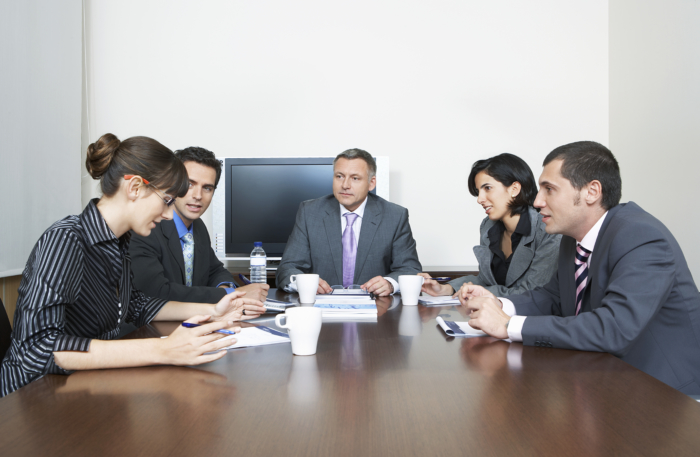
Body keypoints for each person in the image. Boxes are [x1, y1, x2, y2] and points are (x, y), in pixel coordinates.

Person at [0, 133, 266, 397]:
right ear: (135, 187)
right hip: (30, 400)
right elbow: (36, 348)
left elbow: (139, 305)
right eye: (166, 201)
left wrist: (214, 311)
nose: (168, 214)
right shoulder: (65, 239)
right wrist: (163, 350)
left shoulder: (121, 241)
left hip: (85, 389)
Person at [459, 141, 700, 395]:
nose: (538, 201)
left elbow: (614, 328)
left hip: (667, 395)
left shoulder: (640, 236)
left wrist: (509, 325)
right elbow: (552, 297)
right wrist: (499, 303)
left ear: (591, 192)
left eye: (549, 189)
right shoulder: (571, 239)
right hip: (605, 381)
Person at [130, 147, 269, 303]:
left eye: (207, 188)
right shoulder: (147, 227)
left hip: (196, 320)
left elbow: (214, 270)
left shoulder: (198, 227)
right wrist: (229, 295)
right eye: (189, 184)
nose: (198, 196)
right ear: (173, 183)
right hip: (154, 325)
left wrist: (224, 287)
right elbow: (156, 292)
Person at [276, 148, 422, 296]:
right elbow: (287, 269)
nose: (345, 185)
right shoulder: (310, 212)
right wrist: (303, 283)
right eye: (339, 176)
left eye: (355, 178)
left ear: (371, 183)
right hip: (321, 306)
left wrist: (390, 284)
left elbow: (409, 269)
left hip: (377, 309)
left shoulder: (395, 216)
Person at [420, 153, 561, 297]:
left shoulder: (547, 230)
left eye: (487, 188)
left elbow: (531, 293)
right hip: (493, 315)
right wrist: (446, 289)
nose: (479, 199)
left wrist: (481, 293)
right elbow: (485, 281)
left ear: (514, 189)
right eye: (478, 191)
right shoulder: (488, 227)